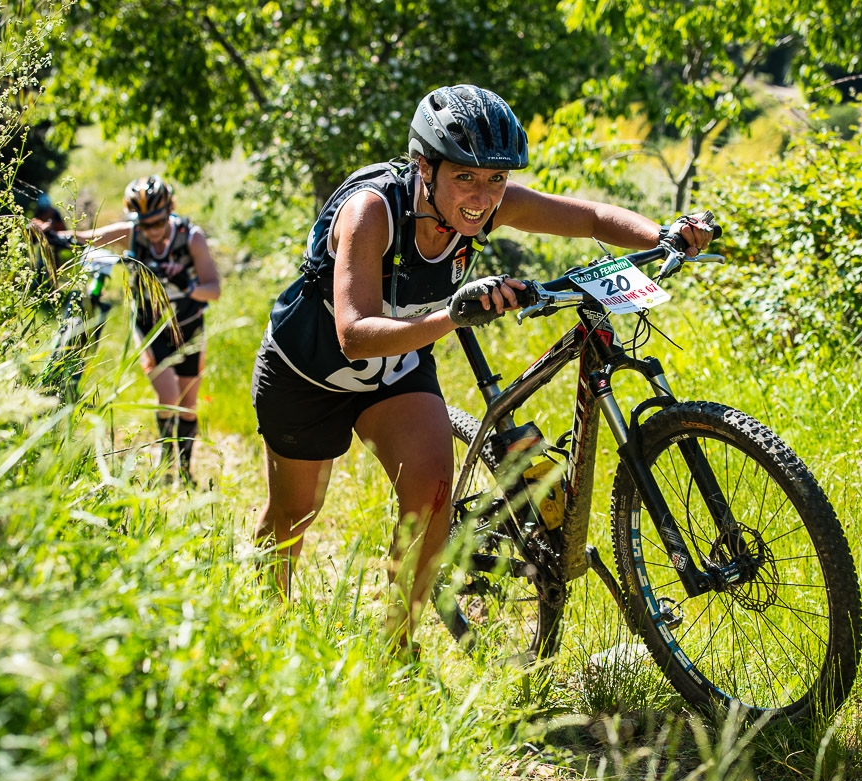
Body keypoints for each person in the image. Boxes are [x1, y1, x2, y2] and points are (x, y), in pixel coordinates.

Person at [251, 85, 713, 653]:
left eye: (496, 179)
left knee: (432, 497)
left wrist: (663, 234)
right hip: (308, 373)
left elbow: (591, 216)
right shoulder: (371, 211)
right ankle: (263, 629)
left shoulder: (488, 205)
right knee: (295, 514)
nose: (483, 196)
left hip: (396, 369)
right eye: (465, 177)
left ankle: (397, 650)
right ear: (425, 165)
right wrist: (453, 314)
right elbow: (353, 333)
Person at [37, 176, 221, 484]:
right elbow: (87, 237)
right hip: (150, 327)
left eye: (158, 222)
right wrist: (53, 236)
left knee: (188, 405)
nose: (152, 231)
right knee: (168, 396)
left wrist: (186, 286)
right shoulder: (132, 234)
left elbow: (213, 289)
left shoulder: (191, 238)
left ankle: (186, 472)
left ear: (170, 211)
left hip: (189, 325)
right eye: (144, 224)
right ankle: (166, 466)